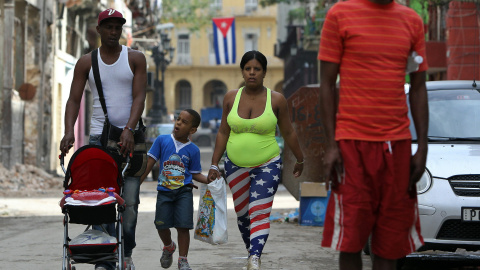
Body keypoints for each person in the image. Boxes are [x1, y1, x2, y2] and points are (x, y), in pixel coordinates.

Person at [318, 0, 429, 269]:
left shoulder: (412, 20)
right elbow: (326, 85)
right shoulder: (339, 15)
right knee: (351, 240)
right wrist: (332, 145)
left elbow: (418, 88)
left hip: (398, 146)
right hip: (351, 146)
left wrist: (422, 147)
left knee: (389, 245)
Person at [59, 8, 147, 270]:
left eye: (117, 27)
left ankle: (126, 253)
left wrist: (129, 129)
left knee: (129, 203)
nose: (113, 31)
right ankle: (107, 257)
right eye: (108, 27)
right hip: (99, 138)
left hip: (133, 137)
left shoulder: (136, 58)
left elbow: (140, 97)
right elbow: (74, 99)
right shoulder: (87, 62)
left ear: (122, 30)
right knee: (101, 199)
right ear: (98, 30)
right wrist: (68, 131)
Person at [207, 50, 304, 270]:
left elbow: (288, 132)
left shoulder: (276, 99)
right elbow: (223, 131)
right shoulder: (231, 97)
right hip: (234, 165)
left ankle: (254, 257)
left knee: (258, 210)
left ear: (264, 72)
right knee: (242, 214)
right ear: (242, 71)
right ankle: (251, 251)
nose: (252, 73)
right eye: (248, 69)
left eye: (257, 69)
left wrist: (300, 158)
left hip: (267, 164)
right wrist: (214, 163)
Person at [140, 109, 210, 270]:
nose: (178, 123)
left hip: (184, 192)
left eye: (184, 122)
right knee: (161, 225)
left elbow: (195, 173)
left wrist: (209, 179)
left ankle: (183, 260)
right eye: (178, 119)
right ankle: (168, 246)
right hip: (164, 192)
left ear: (192, 130)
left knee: (183, 226)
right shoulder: (162, 140)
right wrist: (138, 184)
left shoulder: (193, 150)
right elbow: (149, 163)